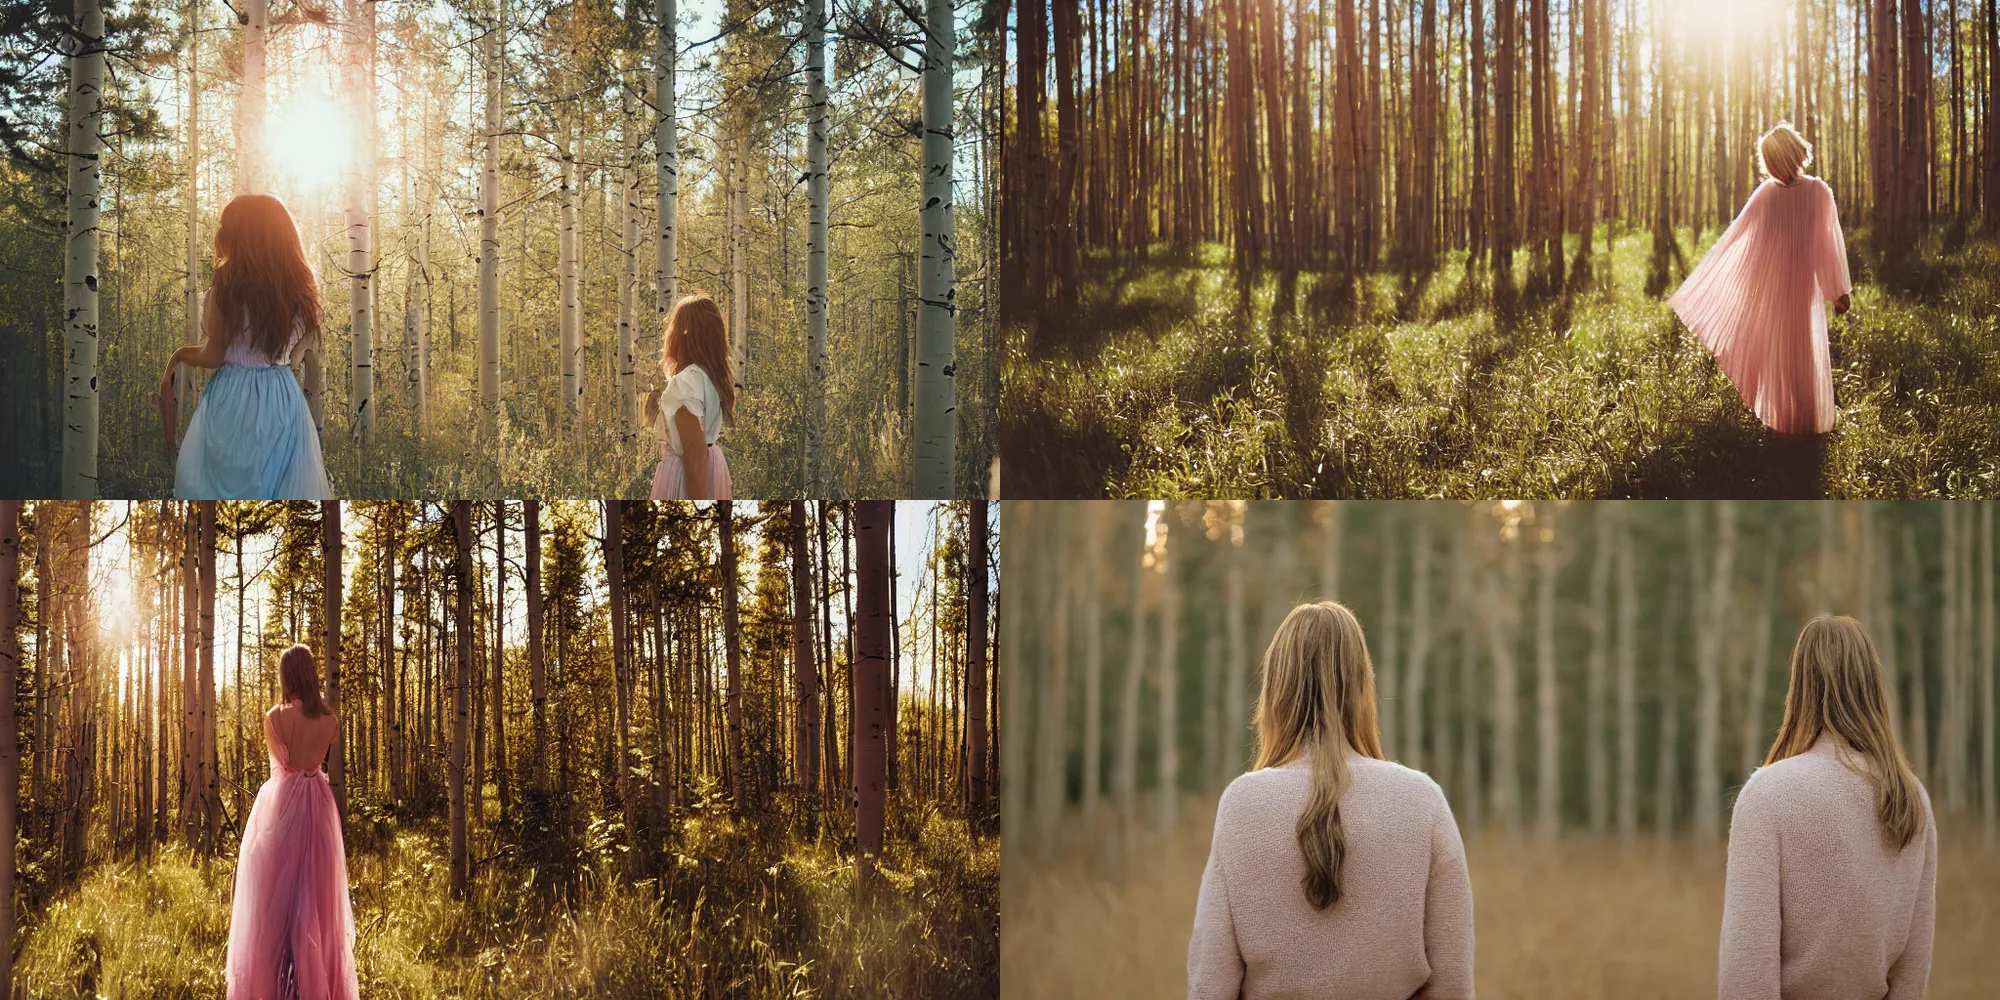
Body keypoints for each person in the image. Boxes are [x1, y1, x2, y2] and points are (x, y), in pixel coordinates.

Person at [1187, 602, 1474, 1000]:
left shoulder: (1243, 803)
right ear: (1362, 685)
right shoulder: (1421, 799)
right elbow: (1452, 985)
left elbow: (1210, 983)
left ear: (1276, 689)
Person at [1719, 615, 1935, 1000]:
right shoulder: (1911, 797)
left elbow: (1747, 971)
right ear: (1871, 684)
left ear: (1800, 686)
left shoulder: (1768, 794)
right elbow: (1912, 970)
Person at [1668, 122, 1852, 436]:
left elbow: (1828, 244)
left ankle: (1800, 422)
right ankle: (1790, 421)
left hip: (1797, 285)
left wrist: (1837, 290)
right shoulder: (1771, 193)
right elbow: (1742, 240)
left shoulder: (1816, 192)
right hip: (1778, 286)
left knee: (1796, 350)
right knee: (1786, 351)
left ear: (1793, 156)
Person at [159, 194, 332, 499]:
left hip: (232, 398)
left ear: (239, 237)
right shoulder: (301, 293)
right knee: (282, 488)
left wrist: (178, 355)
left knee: (216, 488)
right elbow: (296, 355)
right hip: (282, 398)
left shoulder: (224, 290)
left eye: (225, 226)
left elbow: (213, 356)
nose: (219, 234)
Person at [225, 644, 360, 1000]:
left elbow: (279, 769)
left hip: (282, 807)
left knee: (276, 904)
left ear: (287, 677)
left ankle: (279, 988)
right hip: (318, 807)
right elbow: (315, 762)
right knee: (316, 900)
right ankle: (313, 987)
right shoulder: (330, 720)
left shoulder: (274, 717)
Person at [644, 293, 736, 500]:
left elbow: (694, 457)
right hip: (711, 467)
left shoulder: (686, 383)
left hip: (685, 474)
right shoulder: (706, 376)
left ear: (681, 333)